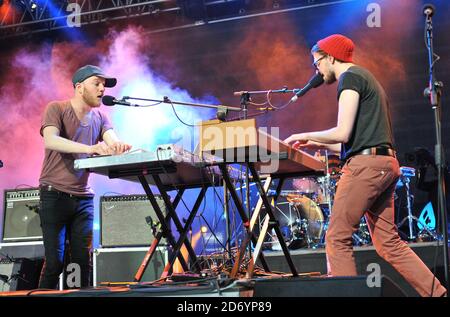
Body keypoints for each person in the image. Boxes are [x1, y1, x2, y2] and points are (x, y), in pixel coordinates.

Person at [284, 34, 446, 297]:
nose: (316, 70)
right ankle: (437, 293)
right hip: (383, 163)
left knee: (336, 237)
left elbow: (343, 132)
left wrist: (305, 135)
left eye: (317, 63)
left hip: (366, 167)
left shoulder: (350, 78)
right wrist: (316, 143)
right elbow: (355, 141)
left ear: (330, 57)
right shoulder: (367, 79)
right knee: (388, 244)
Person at [38, 65, 132, 289]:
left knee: (81, 262)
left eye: (104, 85)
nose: (102, 89)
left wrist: (119, 146)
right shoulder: (56, 108)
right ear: (79, 87)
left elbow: (111, 140)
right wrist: (91, 149)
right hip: (54, 195)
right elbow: (51, 140)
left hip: (83, 199)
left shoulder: (101, 116)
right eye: (97, 83)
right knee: (55, 263)